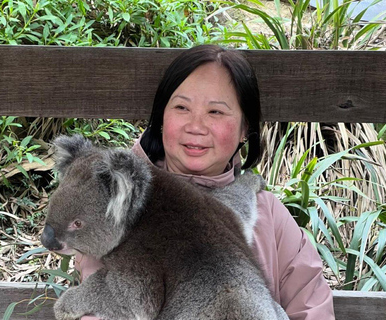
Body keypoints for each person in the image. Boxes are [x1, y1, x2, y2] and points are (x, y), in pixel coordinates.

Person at [74, 44, 335, 320]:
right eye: (182, 107)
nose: (196, 126)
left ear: (245, 128)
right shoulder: (118, 202)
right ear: (162, 117)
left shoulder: (267, 214)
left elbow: (311, 305)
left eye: (216, 112)